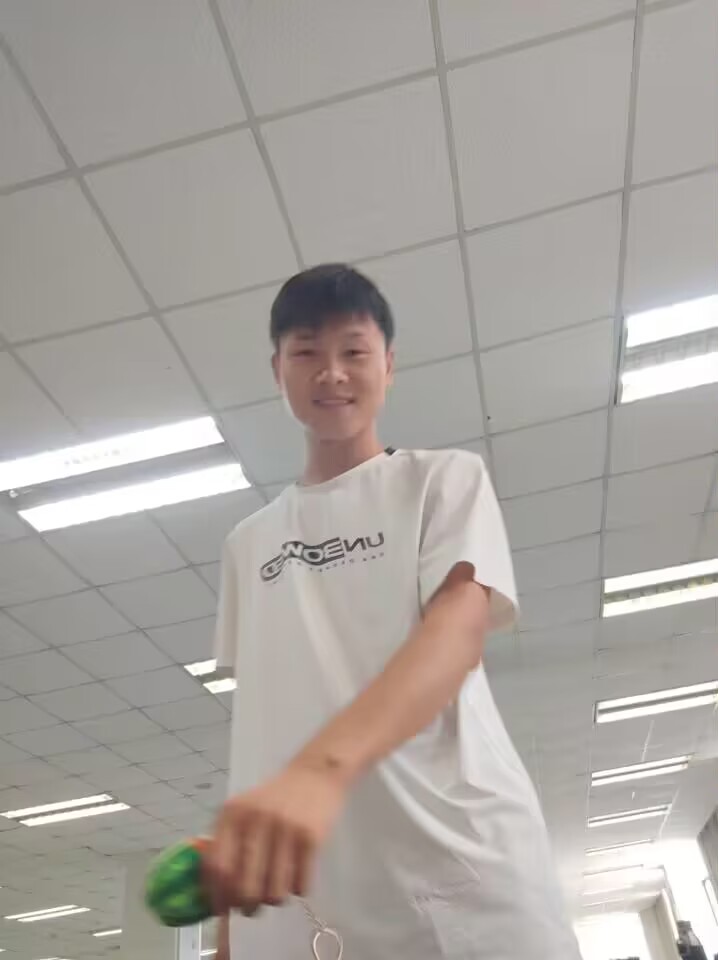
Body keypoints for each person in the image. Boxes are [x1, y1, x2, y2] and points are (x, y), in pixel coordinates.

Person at [205, 264, 581, 959]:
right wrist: (231, 925)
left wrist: (319, 771)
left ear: (389, 364)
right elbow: (257, 723)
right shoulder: (247, 544)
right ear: (278, 369)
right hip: (313, 898)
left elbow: (457, 631)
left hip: (458, 866)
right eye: (307, 352)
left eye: (353, 351)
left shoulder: (441, 480)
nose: (332, 373)